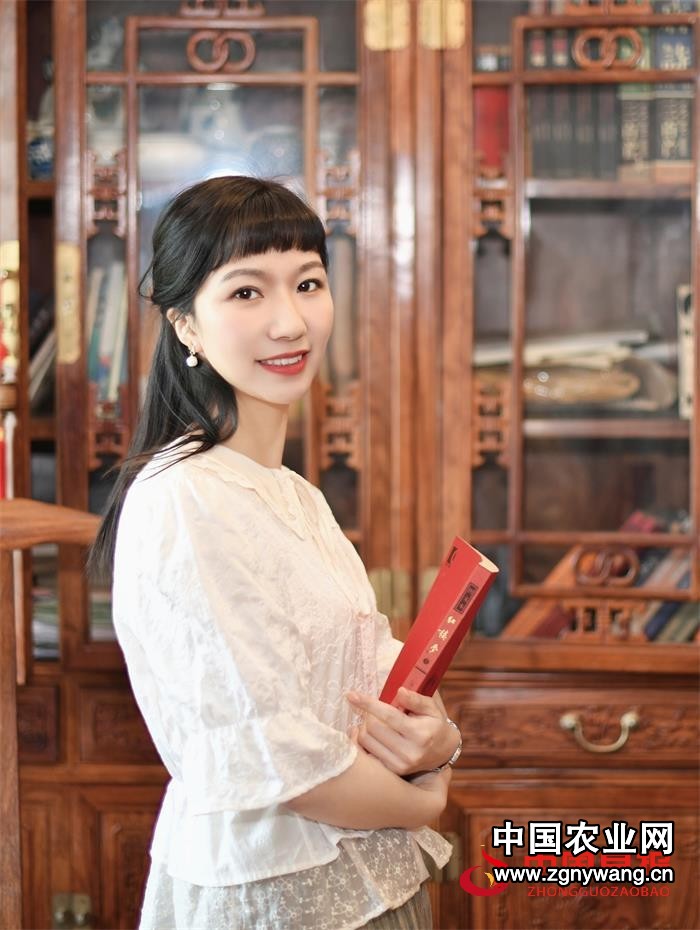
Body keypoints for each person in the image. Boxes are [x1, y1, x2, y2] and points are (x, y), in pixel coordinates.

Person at [89, 176, 461, 930]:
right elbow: (278, 759)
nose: (290, 322)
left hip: (373, 885)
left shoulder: (294, 495)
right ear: (186, 325)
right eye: (247, 292)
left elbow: (374, 679)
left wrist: (439, 741)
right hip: (272, 899)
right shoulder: (184, 497)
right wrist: (428, 799)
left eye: (308, 283)